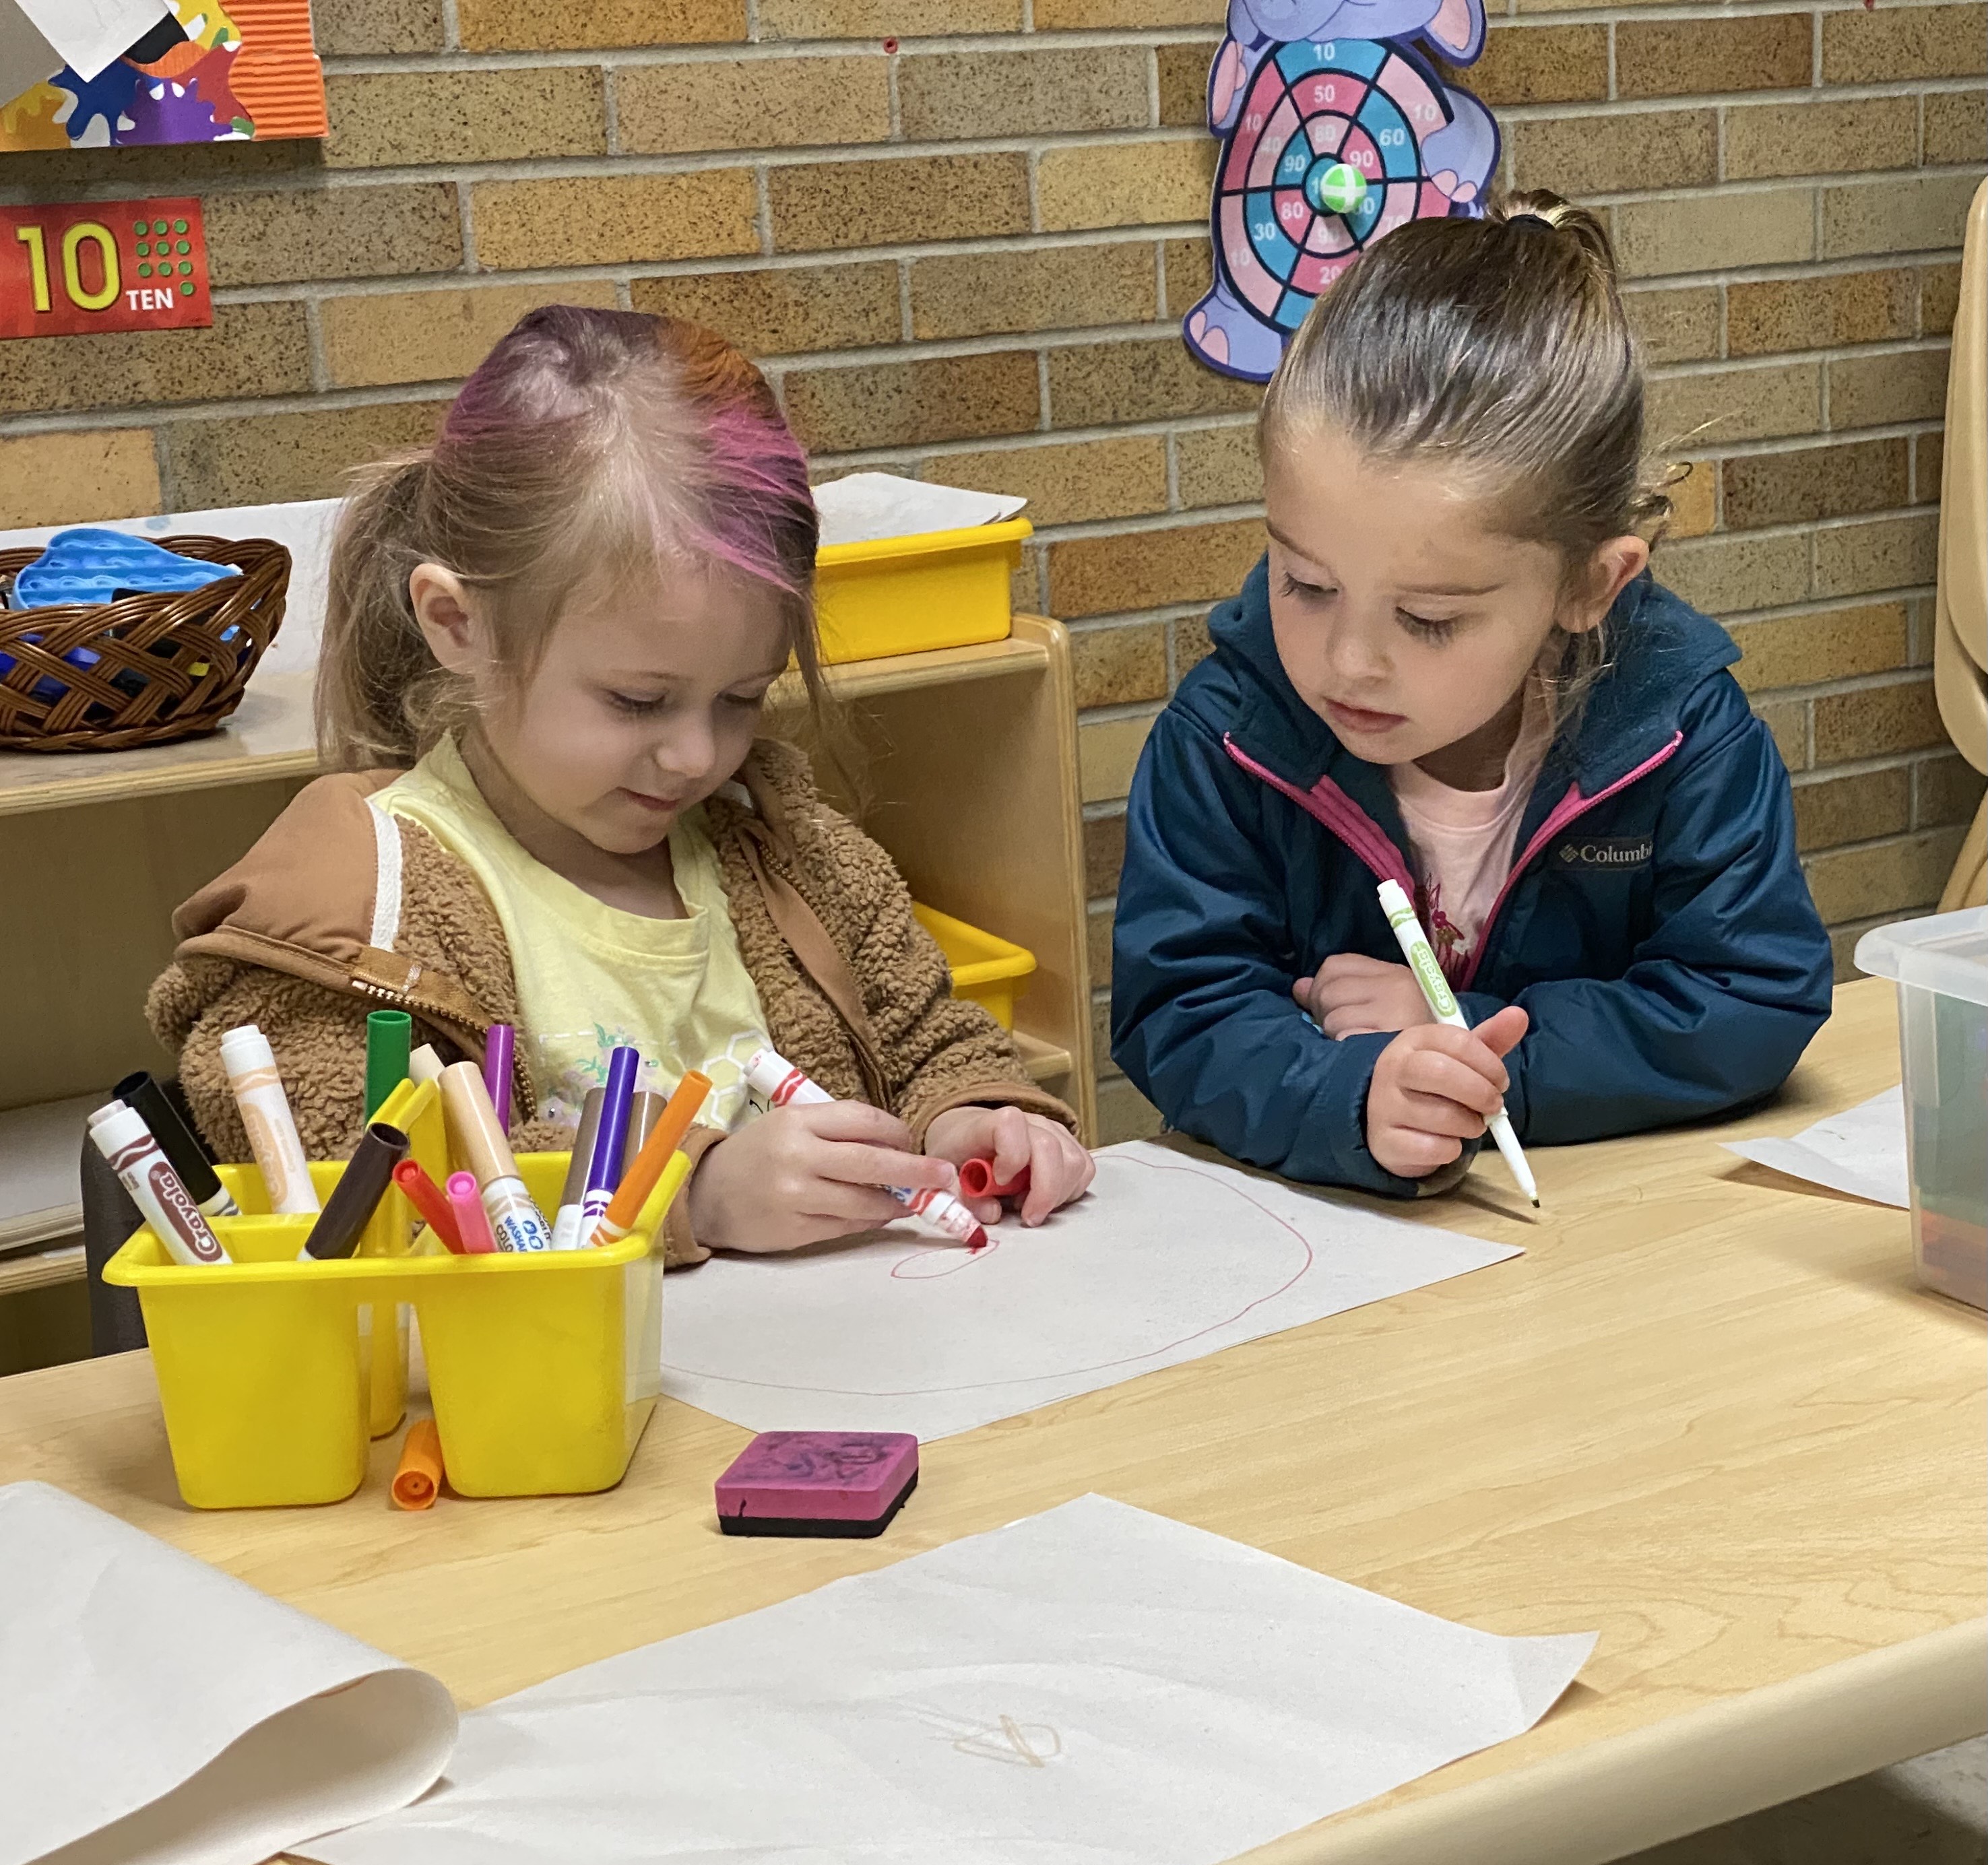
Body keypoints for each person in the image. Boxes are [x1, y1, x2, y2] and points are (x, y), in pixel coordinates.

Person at [149, 307, 1092, 1263]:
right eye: (639, 701)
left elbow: (927, 1036)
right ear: (457, 624)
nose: (696, 756)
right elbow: (353, 1182)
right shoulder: (362, 903)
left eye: (740, 698)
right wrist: (694, 1191)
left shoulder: (781, 843)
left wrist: (971, 1116)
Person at [1113, 193, 1832, 1206]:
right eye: (1306, 586)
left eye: (1432, 619)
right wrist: (1353, 1097)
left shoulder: (1679, 728)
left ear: (1591, 584)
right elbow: (1181, 1009)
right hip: (1325, 1254)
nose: (1350, 661)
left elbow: (1750, 997)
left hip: (1604, 1239)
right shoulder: (1230, 733)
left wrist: (1475, 1046)